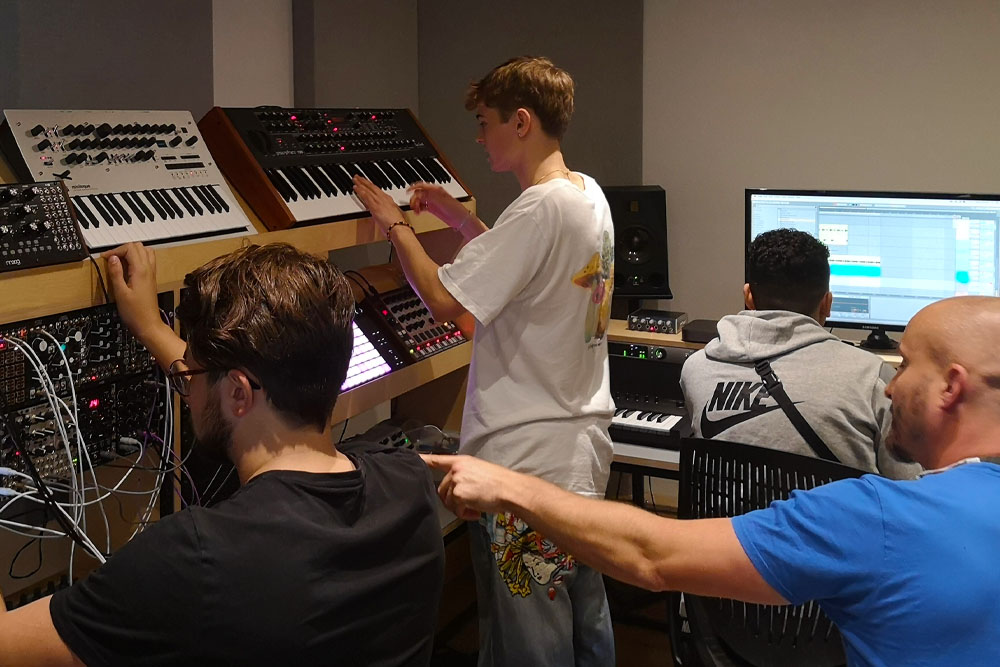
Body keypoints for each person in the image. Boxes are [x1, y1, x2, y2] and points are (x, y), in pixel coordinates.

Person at [427, 295, 1000, 666]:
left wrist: (506, 483)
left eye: (903, 364)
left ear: (951, 387)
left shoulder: (876, 517)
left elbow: (650, 555)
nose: (890, 385)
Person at [0, 242, 445, 665]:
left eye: (191, 374)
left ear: (238, 393)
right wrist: (153, 328)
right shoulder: (410, 484)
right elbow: (236, 386)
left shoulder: (194, 556)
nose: (187, 390)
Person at [352, 56, 616, 666]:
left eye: (484, 122)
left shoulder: (540, 208)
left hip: (526, 464)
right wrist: (458, 218)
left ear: (520, 121)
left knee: (530, 648)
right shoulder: (585, 196)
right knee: (584, 629)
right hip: (575, 451)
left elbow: (445, 299)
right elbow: (524, 266)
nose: (478, 136)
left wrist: (396, 226)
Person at [680, 228, 919, 478]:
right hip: (827, 518)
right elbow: (906, 487)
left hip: (724, 518)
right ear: (827, 304)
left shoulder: (696, 368)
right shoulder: (875, 379)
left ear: (748, 297)